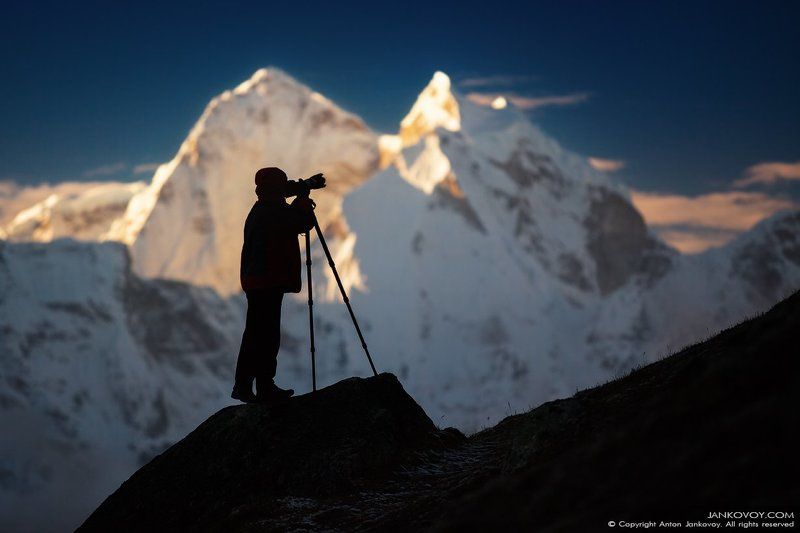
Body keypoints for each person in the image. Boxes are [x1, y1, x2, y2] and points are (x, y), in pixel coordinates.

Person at [232, 167, 326, 403]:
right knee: (266, 335)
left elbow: (286, 207)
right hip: (267, 282)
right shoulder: (271, 212)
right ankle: (262, 386)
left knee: (256, 334)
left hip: (258, 282)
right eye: (282, 186)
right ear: (276, 189)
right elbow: (301, 223)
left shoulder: (262, 208)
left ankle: (249, 385)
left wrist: (303, 187)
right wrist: (303, 199)